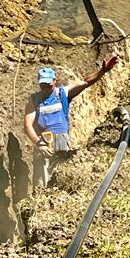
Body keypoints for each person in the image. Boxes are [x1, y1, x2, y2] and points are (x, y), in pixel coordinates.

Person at [24, 55, 119, 189]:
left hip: (62, 139)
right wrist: (39, 144)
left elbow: (85, 82)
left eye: (48, 84)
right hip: (43, 140)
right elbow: (28, 125)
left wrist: (102, 71)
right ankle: (41, 202)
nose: (45, 88)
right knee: (41, 181)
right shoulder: (34, 100)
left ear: (54, 81)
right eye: (42, 85)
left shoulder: (62, 93)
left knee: (62, 175)